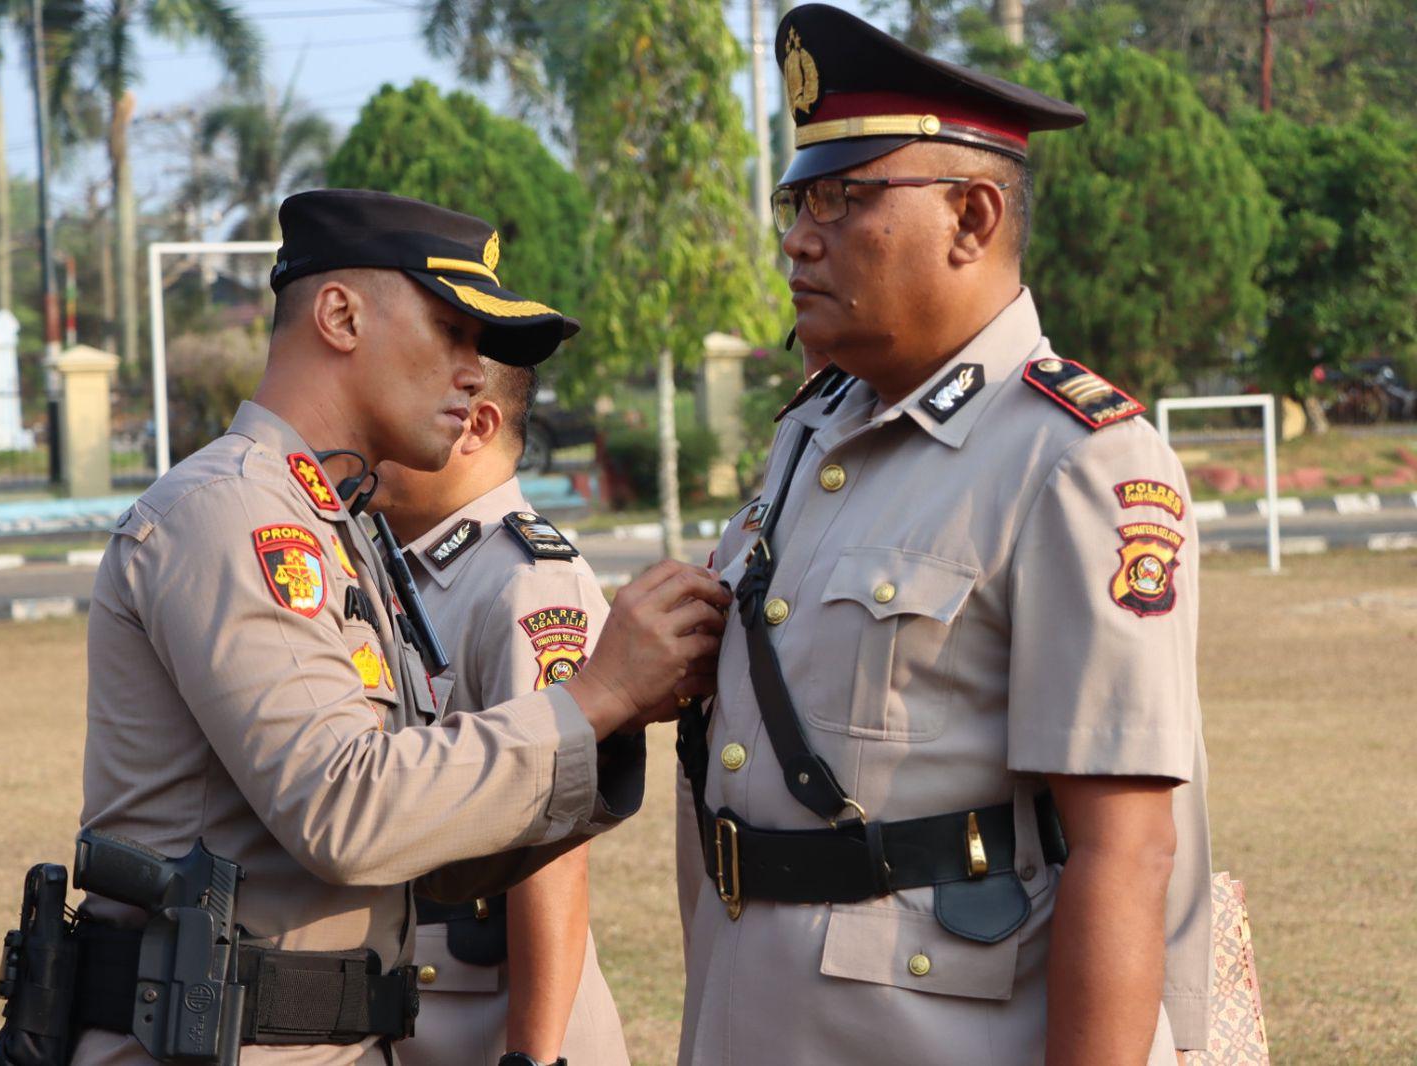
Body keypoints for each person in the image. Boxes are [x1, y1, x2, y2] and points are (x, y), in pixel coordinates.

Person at [74, 189, 729, 1065]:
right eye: (453, 330)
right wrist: (593, 698)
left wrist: (608, 721)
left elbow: (429, 857)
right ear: (340, 316)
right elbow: (346, 811)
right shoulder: (235, 511)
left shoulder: (339, 527)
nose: (474, 369)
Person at [674, 6, 1212, 1064]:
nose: (796, 235)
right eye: (797, 199)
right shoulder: (811, 433)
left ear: (971, 217)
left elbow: (1124, 850)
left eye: (843, 196)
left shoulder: (1075, 460)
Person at [372, 359, 630, 1066]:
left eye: (394, 402)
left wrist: (534, 1057)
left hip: (489, 1023)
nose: (370, 430)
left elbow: (555, 843)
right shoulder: (402, 567)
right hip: (415, 1000)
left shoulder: (526, 581)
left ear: (476, 426)